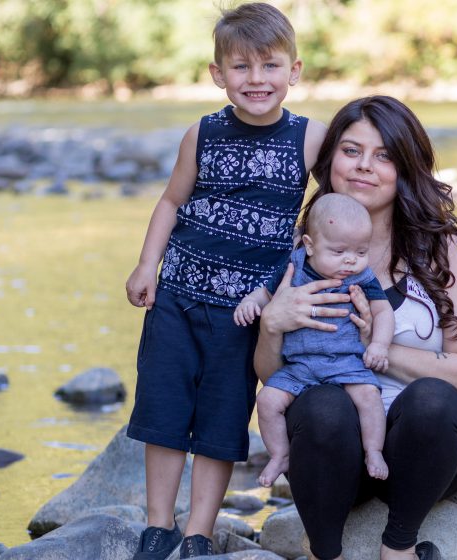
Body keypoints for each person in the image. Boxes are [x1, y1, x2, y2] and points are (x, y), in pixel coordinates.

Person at [123, 3, 325, 558]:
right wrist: (148, 265)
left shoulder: (310, 139)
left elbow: (338, 207)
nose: (256, 80)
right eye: (241, 67)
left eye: (270, 66)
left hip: (244, 313)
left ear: (295, 71)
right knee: (163, 412)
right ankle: (158, 524)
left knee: (221, 420)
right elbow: (171, 201)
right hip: (177, 298)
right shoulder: (203, 133)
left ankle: (198, 533)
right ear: (218, 74)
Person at [254, 95, 457, 560]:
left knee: (433, 397)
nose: (365, 166)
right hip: (332, 452)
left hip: (421, 450)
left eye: (384, 156)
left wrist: (379, 349)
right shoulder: (298, 255)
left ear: (405, 169)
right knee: (321, 404)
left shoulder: (441, 253)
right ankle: (328, 550)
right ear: (330, 161)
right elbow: (270, 375)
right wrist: (271, 325)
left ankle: (398, 544)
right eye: (351, 150)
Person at [234, 193, 395, 487]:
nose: (351, 260)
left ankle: (374, 451)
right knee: (267, 401)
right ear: (309, 245)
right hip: (299, 366)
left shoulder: (362, 277)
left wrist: (379, 345)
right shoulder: (292, 268)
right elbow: (266, 293)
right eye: (339, 252)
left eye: (361, 252)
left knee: (370, 397)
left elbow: (383, 311)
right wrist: (250, 302)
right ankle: (280, 455)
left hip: (346, 362)